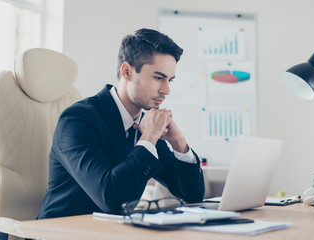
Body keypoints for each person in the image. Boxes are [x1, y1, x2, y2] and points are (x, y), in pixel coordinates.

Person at [37, 28, 205, 219]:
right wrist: (148, 138)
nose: (166, 90)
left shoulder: (144, 125)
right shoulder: (77, 120)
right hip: (59, 233)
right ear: (127, 72)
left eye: (170, 80)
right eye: (158, 78)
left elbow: (192, 194)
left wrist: (179, 144)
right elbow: (112, 199)